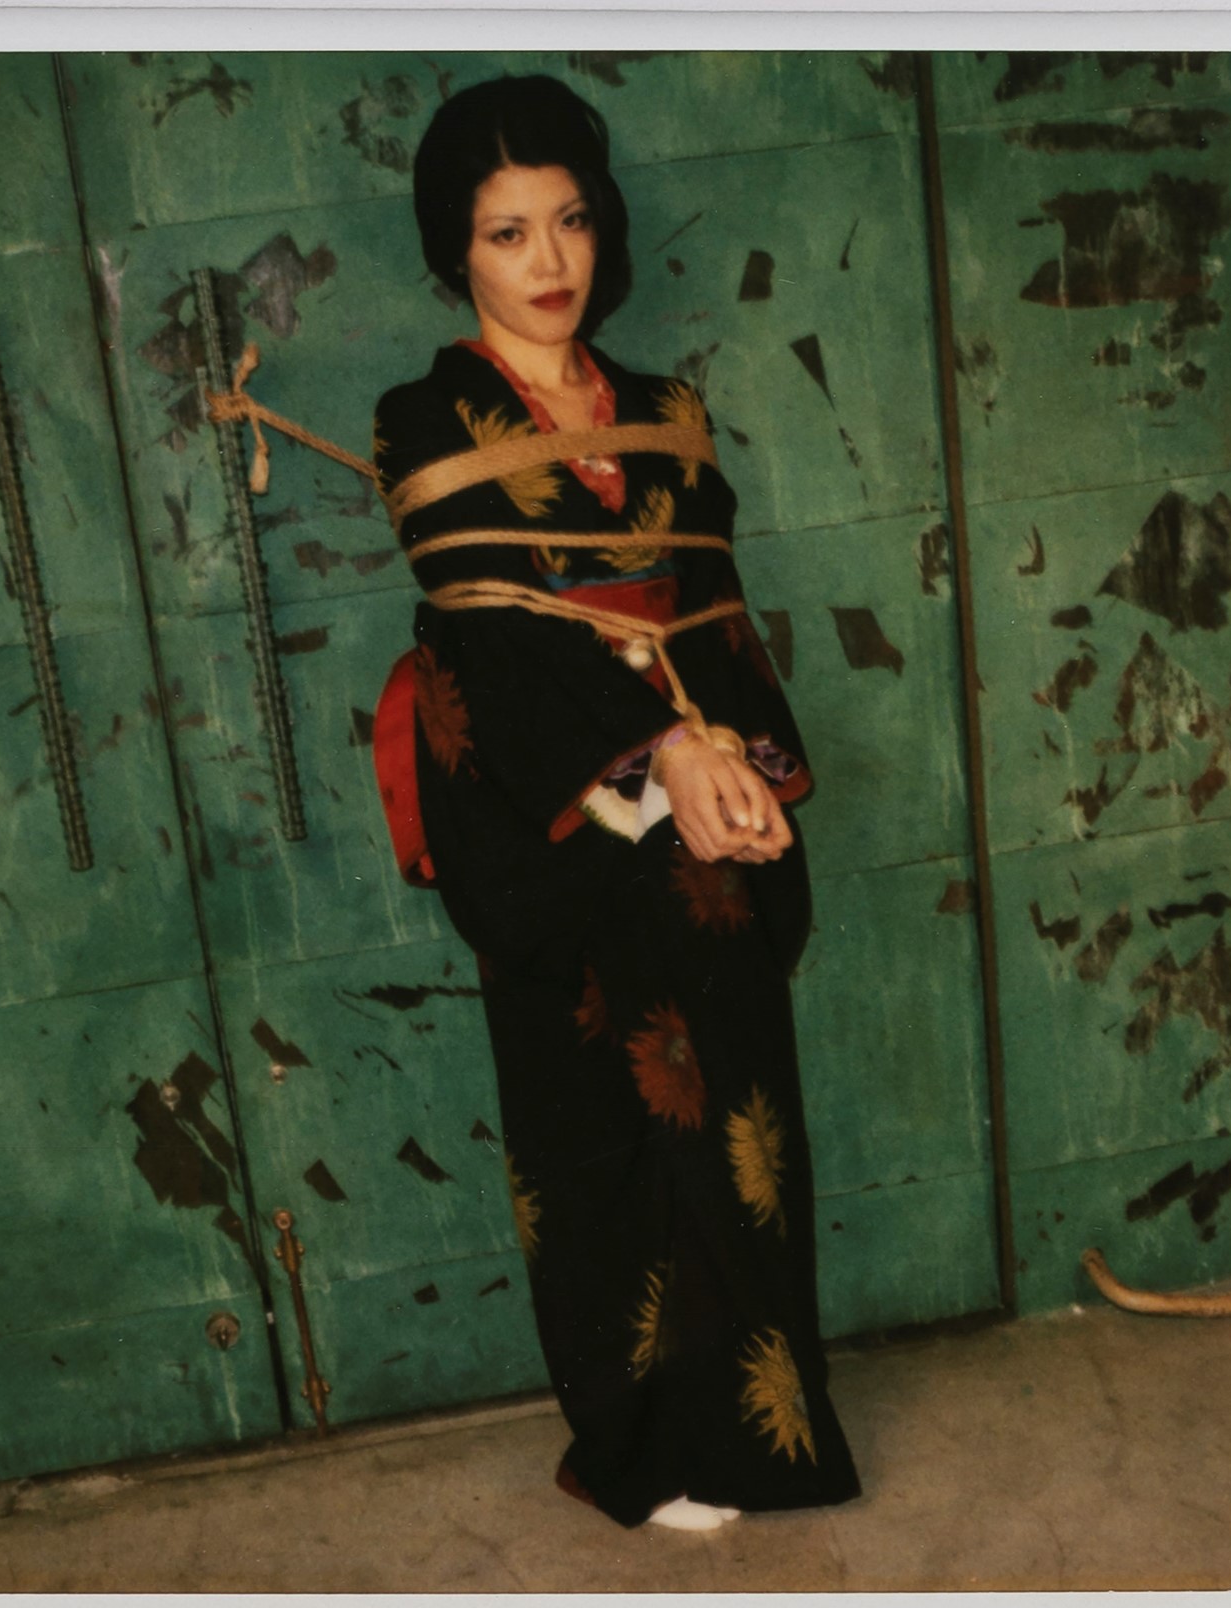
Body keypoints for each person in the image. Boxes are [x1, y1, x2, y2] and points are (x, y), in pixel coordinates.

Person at [370, 73, 861, 1531]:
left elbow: (708, 610)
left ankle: (752, 1431)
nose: (549, 261)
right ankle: (637, 1444)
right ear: (455, 250)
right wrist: (658, 759)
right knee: (598, 1124)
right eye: (507, 232)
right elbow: (498, 639)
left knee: (737, 1115)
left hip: (696, 787)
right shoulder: (424, 417)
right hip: (549, 806)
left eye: (571, 221)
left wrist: (739, 768)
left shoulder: (664, 410)